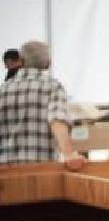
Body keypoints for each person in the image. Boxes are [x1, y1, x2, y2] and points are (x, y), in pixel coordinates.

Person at [0, 41, 85, 170]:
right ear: (48, 63)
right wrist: (70, 155)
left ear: (21, 61)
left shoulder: (3, 89)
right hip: (41, 168)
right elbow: (57, 120)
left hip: (5, 169)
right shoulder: (53, 86)